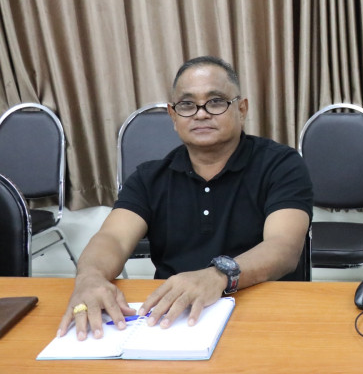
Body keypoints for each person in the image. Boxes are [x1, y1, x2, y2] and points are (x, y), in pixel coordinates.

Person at [57, 56, 313, 340]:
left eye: (215, 101)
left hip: (265, 310)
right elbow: (112, 238)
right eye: (188, 105)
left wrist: (218, 276)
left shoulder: (281, 165)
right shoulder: (149, 178)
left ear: (241, 109)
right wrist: (89, 278)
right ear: (173, 115)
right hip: (174, 319)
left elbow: (283, 247)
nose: (201, 114)